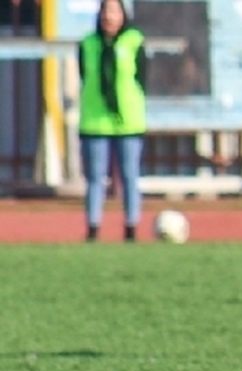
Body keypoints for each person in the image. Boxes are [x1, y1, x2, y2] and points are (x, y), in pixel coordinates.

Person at [78, 0, 147, 243]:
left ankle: (131, 228)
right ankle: (93, 228)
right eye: (106, 11)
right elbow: (84, 75)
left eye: (114, 11)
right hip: (95, 121)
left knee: (130, 176)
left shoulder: (134, 41)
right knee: (95, 178)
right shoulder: (88, 44)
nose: (110, 17)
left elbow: (142, 79)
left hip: (128, 121)